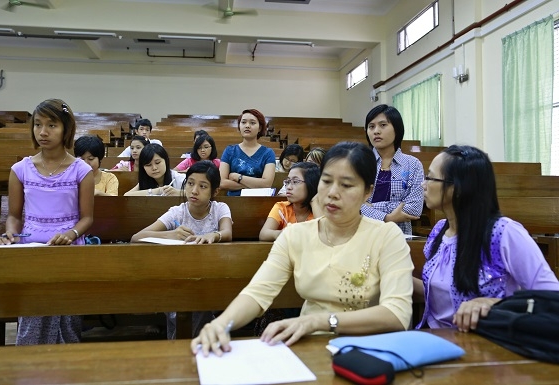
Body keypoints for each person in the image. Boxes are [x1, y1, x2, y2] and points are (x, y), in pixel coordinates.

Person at [192, 141, 413, 357]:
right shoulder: (295, 235)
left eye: (346, 185)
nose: (332, 192)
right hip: (308, 348)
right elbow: (257, 293)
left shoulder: (386, 236)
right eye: (326, 181)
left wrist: (319, 321)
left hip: (367, 351)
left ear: (368, 192)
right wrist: (221, 324)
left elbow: (397, 314)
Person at [414, 145, 559, 332]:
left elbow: (551, 297)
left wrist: (495, 304)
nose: (423, 184)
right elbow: (437, 293)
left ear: (456, 188)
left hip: (485, 342)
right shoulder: (439, 230)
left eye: (429, 177)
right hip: (434, 338)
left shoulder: (504, 233)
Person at [0, 98, 94, 345]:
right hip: (31, 250)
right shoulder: (20, 169)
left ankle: (67, 369)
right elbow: (15, 216)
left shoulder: (81, 170)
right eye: (38, 125)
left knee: (68, 320)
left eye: (51, 125)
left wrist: (71, 234)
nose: (43, 132)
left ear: (66, 129)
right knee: (32, 314)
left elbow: (87, 218)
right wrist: (10, 235)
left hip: (67, 250)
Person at [131, 160, 233, 339]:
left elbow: (227, 232)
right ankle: (180, 347)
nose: (194, 191)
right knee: (178, 306)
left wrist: (214, 235)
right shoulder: (177, 212)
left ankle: (199, 347)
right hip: (177, 278)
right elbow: (136, 238)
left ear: (215, 191)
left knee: (202, 303)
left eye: (203, 186)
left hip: (209, 278)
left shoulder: (219, 209)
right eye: (190, 183)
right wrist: (170, 235)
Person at [360, 104, 424, 236]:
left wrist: (370, 207)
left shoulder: (413, 164)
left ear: (397, 129)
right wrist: (387, 218)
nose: (376, 131)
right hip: (362, 233)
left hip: (399, 235)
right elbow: (351, 204)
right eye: (371, 126)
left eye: (383, 125)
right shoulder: (360, 162)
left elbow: (414, 208)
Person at [219, 109, 276, 196]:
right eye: (243, 122)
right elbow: (222, 182)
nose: (247, 126)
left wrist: (238, 177)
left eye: (252, 123)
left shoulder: (268, 153)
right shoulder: (230, 150)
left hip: (258, 201)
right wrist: (253, 184)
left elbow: (267, 184)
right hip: (233, 202)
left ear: (260, 128)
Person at [259, 162, 320, 241]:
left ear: (311, 184)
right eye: (288, 182)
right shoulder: (281, 207)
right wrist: (283, 233)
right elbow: (263, 234)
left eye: (295, 182)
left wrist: (314, 202)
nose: (288, 187)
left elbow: (327, 235)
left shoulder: (319, 210)